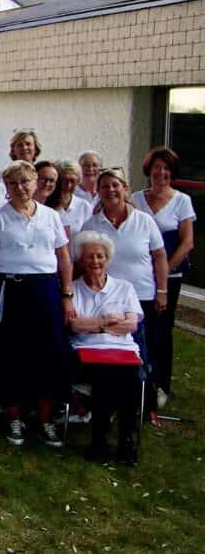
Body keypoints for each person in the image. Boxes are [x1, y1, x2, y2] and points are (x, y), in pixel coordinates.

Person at [0, 160, 74, 448]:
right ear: (5, 188)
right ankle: (14, 417)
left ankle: (46, 420)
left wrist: (67, 295)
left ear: (35, 183)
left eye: (24, 182)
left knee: (48, 354)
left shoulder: (50, 216)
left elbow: (64, 258)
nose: (19, 188)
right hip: (11, 290)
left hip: (46, 290)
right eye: (12, 184)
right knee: (12, 354)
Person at [82, 167, 167, 423]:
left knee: (144, 351)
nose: (111, 191)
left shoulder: (144, 220)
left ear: (125, 189)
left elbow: (160, 256)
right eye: (105, 186)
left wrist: (162, 290)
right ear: (99, 192)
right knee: (112, 352)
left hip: (142, 294)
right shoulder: (92, 223)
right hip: (108, 298)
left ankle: (145, 405)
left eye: (115, 185)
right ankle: (110, 406)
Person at [67, 231, 145, 466]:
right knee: (107, 375)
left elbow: (131, 324)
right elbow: (75, 325)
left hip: (123, 353)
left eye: (100, 256)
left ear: (108, 259)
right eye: (89, 257)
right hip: (86, 353)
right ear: (81, 260)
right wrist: (105, 322)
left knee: (128, 377)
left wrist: (94, 326)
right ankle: (107, 441)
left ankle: (120, 442)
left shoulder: (125, 287)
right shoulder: (73, 288)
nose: (95, 261)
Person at [132, 147, 196, 409]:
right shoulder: (136, 198)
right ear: (149, 170)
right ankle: (136, 381)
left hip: (169, 275)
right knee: (137, 327)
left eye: (166, 169)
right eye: (157, 168)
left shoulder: (182, 201)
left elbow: (187, 242)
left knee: (162, 330)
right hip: (138, 276)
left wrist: (164, 271)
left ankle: (160, 385)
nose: (161, 173)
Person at [47, 160, 91, 237]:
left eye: (72, 181)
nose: (68, 185)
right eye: (64, 180)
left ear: (78, 182)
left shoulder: (84, 206)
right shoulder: (47, 204)